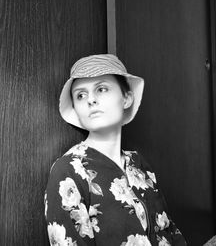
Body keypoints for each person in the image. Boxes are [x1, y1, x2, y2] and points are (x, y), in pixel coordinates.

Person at [44, 54, 187, 246]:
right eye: (81, 95)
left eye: (101, 89)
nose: (91, 100)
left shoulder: (138, 162)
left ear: (126, 98)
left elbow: (168, 228)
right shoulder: (67, 171)